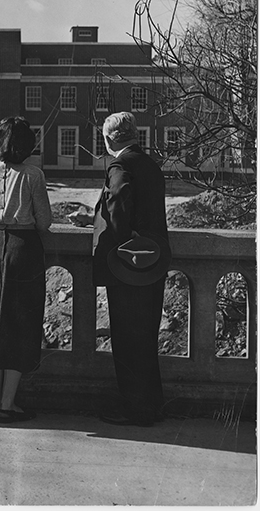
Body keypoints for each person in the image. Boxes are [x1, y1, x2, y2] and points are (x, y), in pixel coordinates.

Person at [0, 116, 52, 424]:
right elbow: (44, 221)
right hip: (23, 249)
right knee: (20, 324)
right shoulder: (33, 175)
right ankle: (7, 404)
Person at [91, 111, 171, 427]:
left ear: (109, 138)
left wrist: (115, 236)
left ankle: (135, 409)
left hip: (128, 263)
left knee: (126, 339)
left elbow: (119, 200)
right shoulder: (151, 164)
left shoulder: (119, 165)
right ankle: (153, 405)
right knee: (146, 337)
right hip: (155, 260)